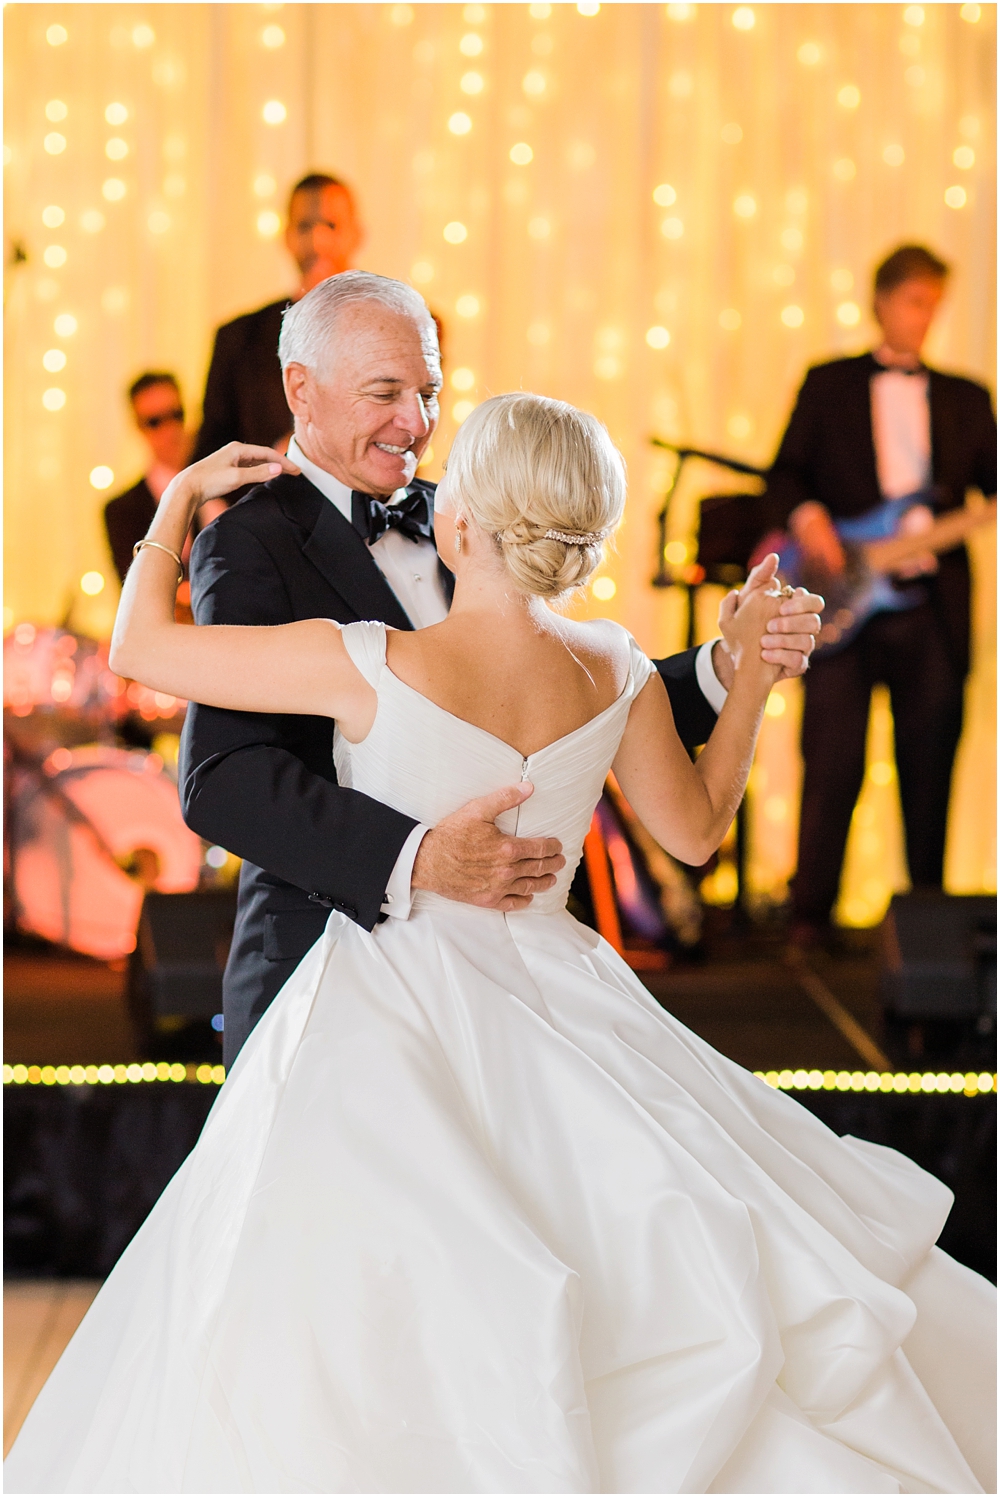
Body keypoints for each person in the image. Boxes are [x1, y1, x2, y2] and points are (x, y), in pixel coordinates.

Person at [6, 397, 993, 1494]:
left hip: (391, 1006)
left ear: (460, 522)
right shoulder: (616, 667)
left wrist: (178, 506)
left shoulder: (368, 662)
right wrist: (749, 682)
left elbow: (143, 648)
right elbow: (698, 833)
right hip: (572, 1007)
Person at [177, 272, 823, 1068]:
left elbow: (570, 695)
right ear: (300, 390)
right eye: (385, 393)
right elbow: (224, 779)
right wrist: (417, 857)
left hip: (513, 996)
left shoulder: (474, 505)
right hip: (326, 978)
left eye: (429, 391)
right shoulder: (247, 544)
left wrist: (727, 666)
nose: (416, 423)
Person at [761, 245, 997, 946]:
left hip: (932, 608)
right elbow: (784, 474)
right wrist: (810, 519)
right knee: (832, 760)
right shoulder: (828, 384)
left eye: (934, 305)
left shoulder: (966, 397)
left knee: (930, 765)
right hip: (844, 599)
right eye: (915, 302)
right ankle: (810, 918)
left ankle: (928, 930)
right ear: (882, 301)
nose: (925, 318)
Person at [192, 173, 363, 460]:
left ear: (356, 234)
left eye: (331, 225)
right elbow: (209, 454)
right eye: (305, 226)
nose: (317, 241)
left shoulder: (403, 332)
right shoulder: (238, 339)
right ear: (287, 236)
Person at [103, 372, 193, 584]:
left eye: (176, 415)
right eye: (155, 422)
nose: (170, 430)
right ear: (138, 426)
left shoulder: (225, 483)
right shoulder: (122, 511)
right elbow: (136, 589)